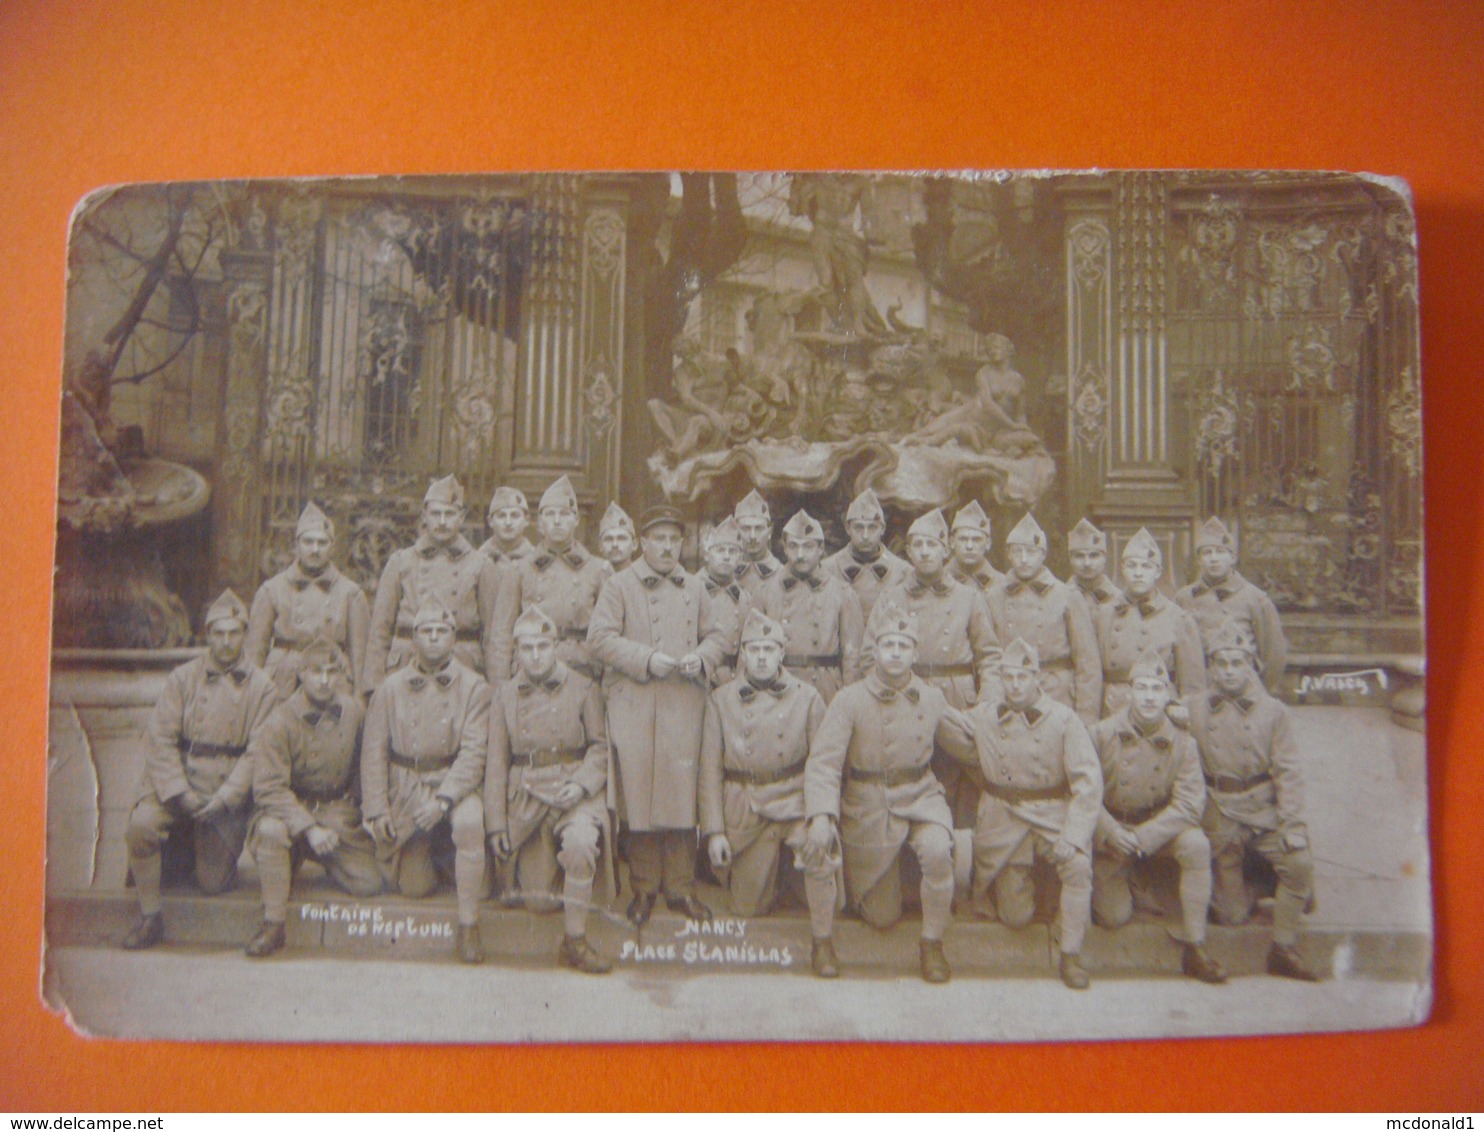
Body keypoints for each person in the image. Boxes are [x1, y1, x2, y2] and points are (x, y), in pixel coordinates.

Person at [804, 599, 962, 983]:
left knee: (939, 850)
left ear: (914, 652)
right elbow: (824, 762)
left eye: (903, 646)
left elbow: (969, 743)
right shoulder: (849, 699)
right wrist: (821, 816)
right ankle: (824, 939)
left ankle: (932, 943)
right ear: (874, 650)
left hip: (921, 796)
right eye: (887, 645)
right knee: (882, 916)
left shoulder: (931, 697)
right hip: (868, 804)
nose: (894, 654)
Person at [587, 503, 726, 926]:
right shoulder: (619, 585)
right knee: (641, 794)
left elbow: (719, 634)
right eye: (658, 539)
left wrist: (701, 658)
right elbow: (600, 639)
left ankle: (681, 889)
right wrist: (646, 659)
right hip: (636, 701)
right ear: (642, 543)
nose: (666, 548)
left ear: (683, 544)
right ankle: (644, 889)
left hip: (684, 702)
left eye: (673, 540)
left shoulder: (697, 587)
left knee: (683, 795)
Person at [938, 638, 1102, 989]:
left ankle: (1071, 953)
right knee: (1016, 917)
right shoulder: (986, 715)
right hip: (1003, 817)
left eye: (1022, 678)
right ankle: (1023, 892)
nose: (1014, 685)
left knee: (1077, 865)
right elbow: (948, 720)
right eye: (1008, 677)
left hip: (1051, 813)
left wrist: (1074, 836)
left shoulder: (1063, 720)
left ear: (1037, 679)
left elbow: (1088, 782)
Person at [120, 589, 278, 950]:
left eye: (234, 633)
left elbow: (258, 751)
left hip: (224, 789)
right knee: (141, 827)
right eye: (218, 633)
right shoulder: (183, 678)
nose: (226, 642)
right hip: (179, 780)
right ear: (208, 635)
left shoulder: (262, 687)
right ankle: (150, 916)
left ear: (245, 634)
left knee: (212, 882)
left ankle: (190, 850)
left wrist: (225, 798)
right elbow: (159, 738)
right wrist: (178, 792)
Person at [700, 610, 838, 973]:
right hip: (747, 805)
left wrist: (822, 816)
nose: (761, 656)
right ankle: (776, 876)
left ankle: (823, 942)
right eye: (754, 649)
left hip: (794, 800)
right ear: (742, 653)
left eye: (769, 648)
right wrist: (714, 832)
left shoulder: (808, 698)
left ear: (782, 653)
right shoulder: (721, 699)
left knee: (820, 850)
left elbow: (823, 764)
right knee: (747, 907)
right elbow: (709, 772)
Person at [1185, 619, 1320, 981]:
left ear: (1251, 665)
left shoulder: (1274, 711)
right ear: (1211, 667)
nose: (1229, 672)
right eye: (1222, 663)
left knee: (1300, 864)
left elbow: (1289, 774)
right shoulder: (1194, 708)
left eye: (1237, 663)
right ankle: (1260, 883)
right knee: (1231, 916)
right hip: (1221, 811)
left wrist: (1292, 827)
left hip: (1263, 810)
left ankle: (1283, 947)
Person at [360, 599, 491, 964]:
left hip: (453, 783)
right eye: (426, 631)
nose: (434, 638)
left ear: (454, 637)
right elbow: (373, 753)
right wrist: (376, 808)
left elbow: (474, 753)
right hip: (407, 785)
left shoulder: (475, 686)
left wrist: (445, 799)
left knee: (467, 824)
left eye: (442, 631)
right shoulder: (390, 687)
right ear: (413, 638)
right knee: (416, 888)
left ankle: (469, 927)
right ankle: (432, 853)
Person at [237, 637, 384, 958]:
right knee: (271, 831)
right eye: (316, 672)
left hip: (333, 810)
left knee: (369, 883)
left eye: (332, 672)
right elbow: (268, 789)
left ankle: (320, 856)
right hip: (288, 809)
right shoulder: (279, 720)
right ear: (301, 674)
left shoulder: (353, 711)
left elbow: (364, 766)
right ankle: (273, 923)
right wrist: (308, 827)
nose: (325, 680)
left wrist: (355, 810)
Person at [487, 606, 614, 974]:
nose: (536, 655)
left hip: (573, 792)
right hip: (527, 797)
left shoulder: (583, 687)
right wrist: (497, 824)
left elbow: (601, 746)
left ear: (555, 645)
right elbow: (496, 763)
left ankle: (575, 940)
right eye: (527, 648)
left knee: (579, 844)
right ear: (516, 651)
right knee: (539, 903)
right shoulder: (505, 696)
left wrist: (580, 784)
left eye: (543, 645)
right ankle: (567, 882)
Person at [1088, 651, 1227, 983]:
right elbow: (1082, 790)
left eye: (1157, 689)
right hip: (1114, 831)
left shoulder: (1184, 742)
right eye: (1142, 688)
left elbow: (1190, 804)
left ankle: (1196, 947)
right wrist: (1108, 828)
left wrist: (1145, 837)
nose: (1149, 697)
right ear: (1129, 692)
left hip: (1159, 829)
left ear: (1168, 695)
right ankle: (1134, 881)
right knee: (1112, 916)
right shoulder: (1102, 734)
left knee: (1196, 845)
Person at [865, 508, 1001, 826]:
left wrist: (985, 704)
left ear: (945, 550)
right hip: (906, 697)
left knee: (965, 784)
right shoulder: (892, 597)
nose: (925, 551)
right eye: (918, 545)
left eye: (931, 545)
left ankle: (963, 861)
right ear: (909, 552)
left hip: (957, 700)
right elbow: (869, 654)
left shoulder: (969, 598)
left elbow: (990, 657)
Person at [363, 475, 502, 691]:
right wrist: (372, 686)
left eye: (450, 514)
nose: (443, 521)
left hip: (461, 666)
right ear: (425, 516)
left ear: (462, 517)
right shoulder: (401, 562)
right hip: (407, 663)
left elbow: (493, 636)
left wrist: (496, 689)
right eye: (436, 514)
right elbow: (380, 630)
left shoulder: (481, 565)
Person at [490, 475, 613, 684]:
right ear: (539, 523)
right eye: (550, 514)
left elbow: (610, 634)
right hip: (531, 670)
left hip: (581, 670)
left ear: (576, 519)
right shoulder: (520, 569)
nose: (557, 520)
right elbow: (501, 635)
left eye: (564, 514)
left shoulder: (598, 570)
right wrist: (500, 688)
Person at [985, 513, 1101, 724]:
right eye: (1017, 551)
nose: (1024, 558)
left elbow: (1087, 663)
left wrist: (1086, 717)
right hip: (1010, 691)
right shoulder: (993, 596)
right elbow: (987, 657)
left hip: (1056, 692)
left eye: (1031, 551)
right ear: (1009, 554)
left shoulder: (1067, 596)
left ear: (1043, 555)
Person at [246, 502, 371, 698]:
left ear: (332, 547)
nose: (315, 549)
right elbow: (255, 652)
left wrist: (358, 697)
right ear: (296, 545)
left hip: (330, 676)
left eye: (322, 543)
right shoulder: (272, 590)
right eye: (308, 542)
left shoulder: (351, 594)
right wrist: (252, 695)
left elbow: (360, 656)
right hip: (283, 680)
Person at [1094, 527, 1206, 717]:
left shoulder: (1178, 618)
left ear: (1157, 571)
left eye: (1146, 566)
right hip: (1113, 707)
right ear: (1122, 569)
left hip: (1161, 708)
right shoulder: (1104, 613)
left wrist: (1181, 709)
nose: (1138, 573)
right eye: (1132, 566)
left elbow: (1193, 685)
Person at [759, 509, 864, 704]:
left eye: (808, 547)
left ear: (820, 548)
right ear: (784, 548)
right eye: (793, 546)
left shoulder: (842, 592)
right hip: (779, 687)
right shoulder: (766, 591)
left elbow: (853, 658)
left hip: (825, 688)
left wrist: (850, 702)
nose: (800, 555)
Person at [1176, 517, 1288, 693]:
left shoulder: (1255, 599)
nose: (1214, 559)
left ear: (1233, 557)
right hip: (1199, 688)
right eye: (1207, 553)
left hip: (1242, 688)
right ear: (1198, 559)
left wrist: (1257, 692)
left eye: (1220, 552)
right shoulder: (1184, 598)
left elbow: (1274, 655)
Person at [821, 488, 907, 620]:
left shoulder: (902, 572)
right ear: (848, 528)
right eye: (859, 527)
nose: (865, 536)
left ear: (882, 529)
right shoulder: (827, 569)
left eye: (872, 527)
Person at [699, 516, 752, 688]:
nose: (727, 557)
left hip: (732, 681)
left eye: (732, 551)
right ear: (706, 555)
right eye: (720, 550)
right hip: (699, 678)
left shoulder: (744, 598)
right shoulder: (691, 590)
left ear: (740, 558)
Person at [1065, 518, 1122, 620]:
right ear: (1070, 559)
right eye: (1079, 556)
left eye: (1094, 556)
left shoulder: (1119, 599)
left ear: (1104, 558)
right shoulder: (1059, 597)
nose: (1087, 563)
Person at [731, 489, 782, 602]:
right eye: (746, 528)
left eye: (759, 528)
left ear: (769, 532)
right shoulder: (725, 573)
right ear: (736, 532)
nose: (752, 536)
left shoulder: (782, 575)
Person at [948, 501, 1004, 594]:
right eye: (963, 539)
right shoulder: (938, 581)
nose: (969, 546)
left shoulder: (1002, 584)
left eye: (976, 540)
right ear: (952, 542)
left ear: (988, 543)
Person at [479, 485, 536, 569]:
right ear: (490, 521)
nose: (508, 522)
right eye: (501, 516)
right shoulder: (477, 560)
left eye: (515, 516)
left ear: (526, 520)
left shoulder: (536, 560)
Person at [597, 501, 637, 570]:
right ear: (600, 546)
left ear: (634, 544)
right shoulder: (592, 579)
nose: (614, 544)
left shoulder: (642, 579)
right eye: (608, 539)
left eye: (621, 538)